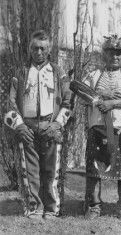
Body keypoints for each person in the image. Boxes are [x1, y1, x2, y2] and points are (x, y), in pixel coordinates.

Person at [4, 30, 72, 220]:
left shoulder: (58, 72)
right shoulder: (20, 72)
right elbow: (10, 103)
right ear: (29, 49)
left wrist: (58, 124)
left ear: (49, 49)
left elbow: (69, 100)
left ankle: (51, 209)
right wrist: (19, 126)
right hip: (28, 128)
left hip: (51, 127)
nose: (39, 52)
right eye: (35, 48)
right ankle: (34, 208)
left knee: (52, 171)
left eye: (43, 48)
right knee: (31, 171)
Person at [82, 35, 121, 219]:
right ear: (104, 54)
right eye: (111, 52)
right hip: (97, 127)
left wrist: (115, 102)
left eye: (119, 53)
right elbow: (83, 94)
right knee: (94, 169)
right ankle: (94, 206)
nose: (115, 56)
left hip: (120, 129)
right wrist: (102, 95)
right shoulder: (93, 75)